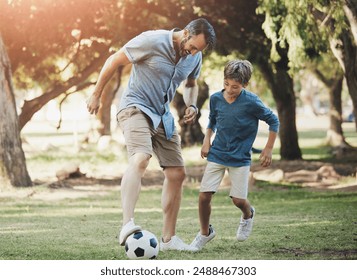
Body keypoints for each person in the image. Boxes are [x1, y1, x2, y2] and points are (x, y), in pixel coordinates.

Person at [87, 18, 216, 251]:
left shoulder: (195, 57)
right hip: (135, 107)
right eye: (193, 46)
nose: (194, 52)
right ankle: (127, 224)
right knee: (141, 157)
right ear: (185, 33)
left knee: (177, 173)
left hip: (162, 114)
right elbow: (114, 59)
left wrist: (192, 105)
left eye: (199, 50)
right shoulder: (152, 40)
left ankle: (169, 239)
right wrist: (96, 94)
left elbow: (190, 83)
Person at [190, 60, 280, 250]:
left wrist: (268, 148)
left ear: (245, 85)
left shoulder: (251, 102)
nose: (230, 89)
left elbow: (273, 121)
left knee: (238, 200)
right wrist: (207, 140)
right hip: (217, 153)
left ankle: (248, 214)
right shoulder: (215, 99)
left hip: (240, 157)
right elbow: (212, 120)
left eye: (235, 87)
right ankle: (205, 233)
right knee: (204, 196)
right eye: (227, 84)